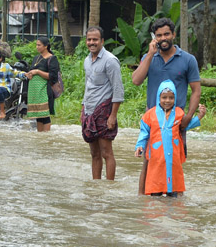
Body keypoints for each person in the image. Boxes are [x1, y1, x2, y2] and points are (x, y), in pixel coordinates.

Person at [131, 17, 202, 152]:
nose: (163, 38)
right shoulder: (149, 58)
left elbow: (196, 91)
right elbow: (136, 81)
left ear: (173, 35)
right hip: (152, 119)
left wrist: (188, 117)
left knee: (174, 162)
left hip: (177, 120)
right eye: (159, 35)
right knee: (149, 163)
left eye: (166, 34)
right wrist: (150, 54)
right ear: (154, 38)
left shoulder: (188, 60)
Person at [135, 80, 207, 197]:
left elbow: (186, 126)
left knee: (173, 189)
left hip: (174, 157)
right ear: (159, 97)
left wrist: (200, 116)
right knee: (156, 190)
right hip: (156, 157)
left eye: (171, 98)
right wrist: (139, 146)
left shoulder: (179, 113)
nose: (167, 101)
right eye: (164, 97)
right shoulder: (149, 115)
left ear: (175, 98)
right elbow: (144, 133)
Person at [81, 26, 125, 180]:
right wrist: (83, 108)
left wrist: (113, 116)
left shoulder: (110, 61)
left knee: (106, 152)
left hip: (104, 111)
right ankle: (96, 186)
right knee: (94, 153)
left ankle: (109, 188)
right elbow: (88, 85)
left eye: (95, 39)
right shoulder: (87, 60)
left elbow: (118, 90)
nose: (92, 42)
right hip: (89, 111)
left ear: (102, 41)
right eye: (89, 39)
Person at [25, 37, 61, 132]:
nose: (37, 47)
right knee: (38, 115)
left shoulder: (52, 58)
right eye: (36, 45)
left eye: (39, 45)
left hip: (44, 90)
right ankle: (40, 138)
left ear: (46, 46)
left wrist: (37, 71)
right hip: (35, 92)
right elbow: (32, 71)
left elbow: (53, 76)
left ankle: (46, 138)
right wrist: (30, 74)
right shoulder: (36, 58)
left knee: (45, 115)